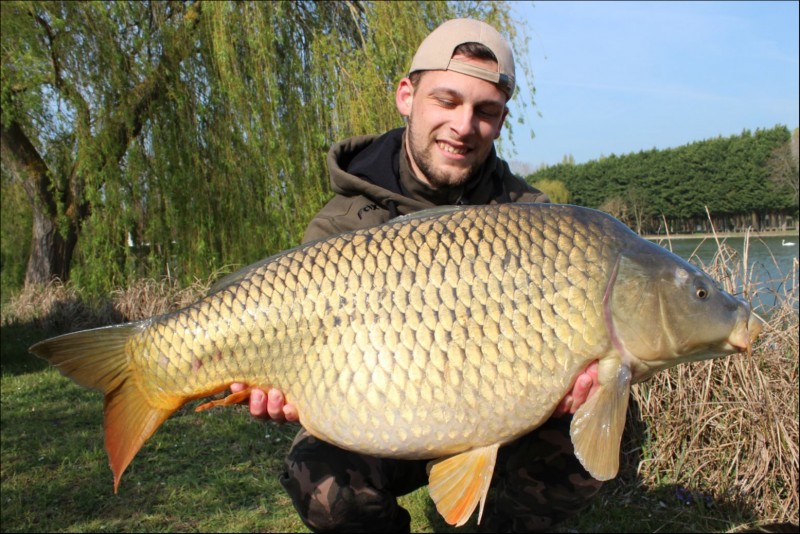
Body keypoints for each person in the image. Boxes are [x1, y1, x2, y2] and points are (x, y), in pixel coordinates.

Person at [231, 18, 602, 533]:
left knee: (587, 441)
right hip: (378, 414)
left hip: (503, 416)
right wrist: (279, 388)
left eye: (485, 111)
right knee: (319, 480)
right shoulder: (341, 223)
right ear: (407, 96)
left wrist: (576, 386)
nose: (463, 125)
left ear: (501, 120)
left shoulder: (533, 221)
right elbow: (301, 347)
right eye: (447, 101)